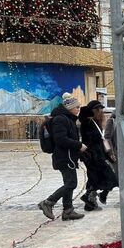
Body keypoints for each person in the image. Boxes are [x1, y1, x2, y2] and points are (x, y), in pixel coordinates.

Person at [37, 93, 87, 221]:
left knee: (69, 183)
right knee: (71, 183)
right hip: (64, 157)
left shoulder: (68, 119)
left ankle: (68, 210)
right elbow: (61, 139)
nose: (79, 109)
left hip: (68, 156)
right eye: (77, 107)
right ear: (69, 107)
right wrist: (79, 145)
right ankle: (48, 202)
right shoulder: (61, 119)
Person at [79, 101, 118, 210]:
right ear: (95, 111)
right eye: (100, 110)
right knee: (108, 178)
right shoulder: (88, 122)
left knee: (94, 179)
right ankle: (97, 196)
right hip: (92, 157)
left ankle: (89, 203)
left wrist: (108, 156)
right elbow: (91, 141)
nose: (102, 112)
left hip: (97, 156)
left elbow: (99, 142)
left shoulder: (94, 122)